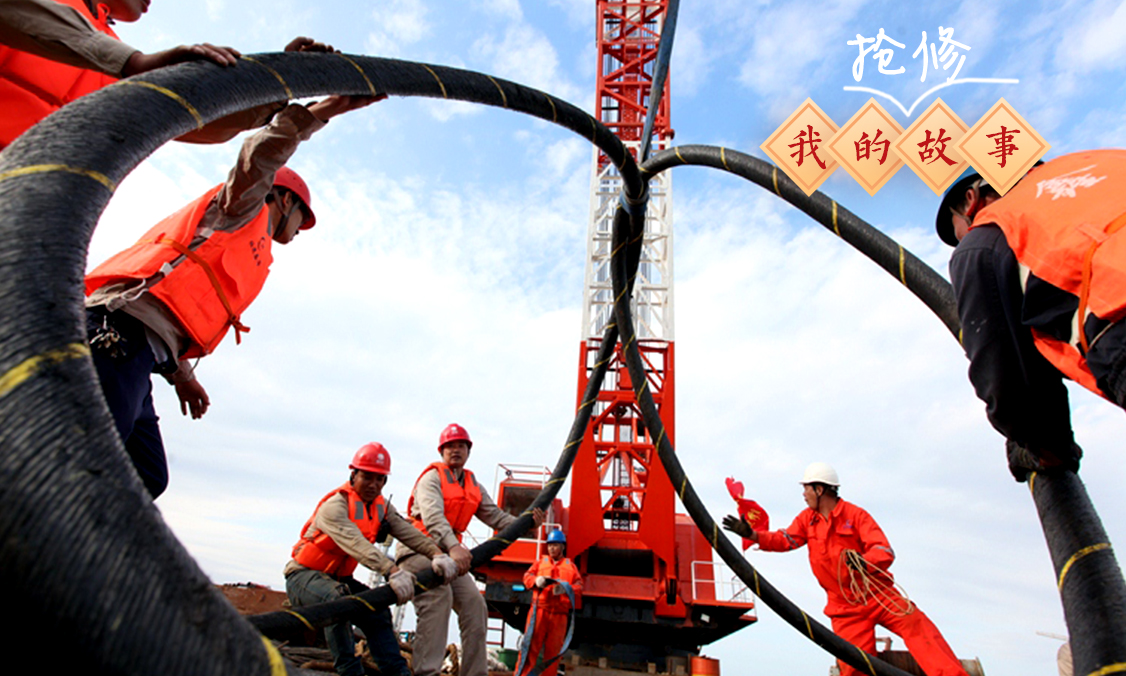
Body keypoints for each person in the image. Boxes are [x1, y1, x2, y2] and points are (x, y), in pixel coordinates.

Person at [84, 91, 381, 498]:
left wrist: (183, 378)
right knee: (85, 457)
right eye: (302, 218)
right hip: (119, 332)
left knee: (148, 475)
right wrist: (324, 111)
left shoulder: (256, 250)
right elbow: (260, 156)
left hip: (146, 352)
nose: (300, 230)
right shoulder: (242, 208)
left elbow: (177, 311)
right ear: (286, 199)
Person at [936, 151, 1126, 479]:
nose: (963, 241)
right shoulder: (1104, 164)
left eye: (958, 233)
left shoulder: (990, 233)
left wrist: (1042, 446)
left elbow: (1005, 367)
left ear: (971, 200)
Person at [723, 463, 968, 676]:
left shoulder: (856, 516)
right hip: (845, 608)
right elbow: (785, 540)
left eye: (806, 488)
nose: (804, 494)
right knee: (854, 667)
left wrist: (864, 562)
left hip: (878, 594)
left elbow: (884, 550)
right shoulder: (807, 520)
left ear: (820, 489)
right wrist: (753, 535)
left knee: (917, 625)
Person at [286, 443, 460, 676]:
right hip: (303, 578)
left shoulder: (382, 507)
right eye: (367, 477)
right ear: (353, 475)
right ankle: (350, 671)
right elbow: (356, 544)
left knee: (377, 609)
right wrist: (392, 571)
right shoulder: (335, 506)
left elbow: (409, 533)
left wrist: (437, 554)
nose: (373, 484)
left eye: (379, 479)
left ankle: (397, 672)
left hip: (340, 580)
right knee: (338, 602)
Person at [398, 423, 545, 676]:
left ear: (468, 451)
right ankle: (427, 672)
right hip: (418, 550)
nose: (455, 450)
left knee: (475, 605)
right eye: (450, 446)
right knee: (439, 597)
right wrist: (454, 547)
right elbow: (433, 518)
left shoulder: (472, 484)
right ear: (441, 451)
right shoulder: (431, 478)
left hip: (448, 555)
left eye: (461, 446)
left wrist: (526, 524)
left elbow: (495, 516)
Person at [517, 529, 581, 676]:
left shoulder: (571, 567)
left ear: (562, 547)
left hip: (559, 615)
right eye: (550, 545)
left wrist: (566, 589)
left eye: (555, 545)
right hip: (539, 612)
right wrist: (536, 581)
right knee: (530, 648)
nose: (552, 548)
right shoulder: (540, 563)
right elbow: (527, 577)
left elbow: (579, 587)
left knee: (553, 654)